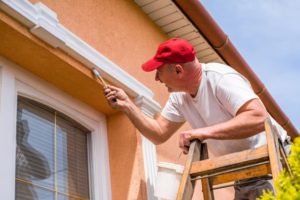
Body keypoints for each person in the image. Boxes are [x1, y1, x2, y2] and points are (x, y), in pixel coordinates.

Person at [103, 38, 290, 199]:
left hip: (277, 163)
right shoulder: (179, 97)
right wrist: (128, 106)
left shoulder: (220, 78)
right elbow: (159, 133)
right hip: (244, 173)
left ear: (178, 70)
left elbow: (258, 117)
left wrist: (201, 132)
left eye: (159, 71)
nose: (157, 78)